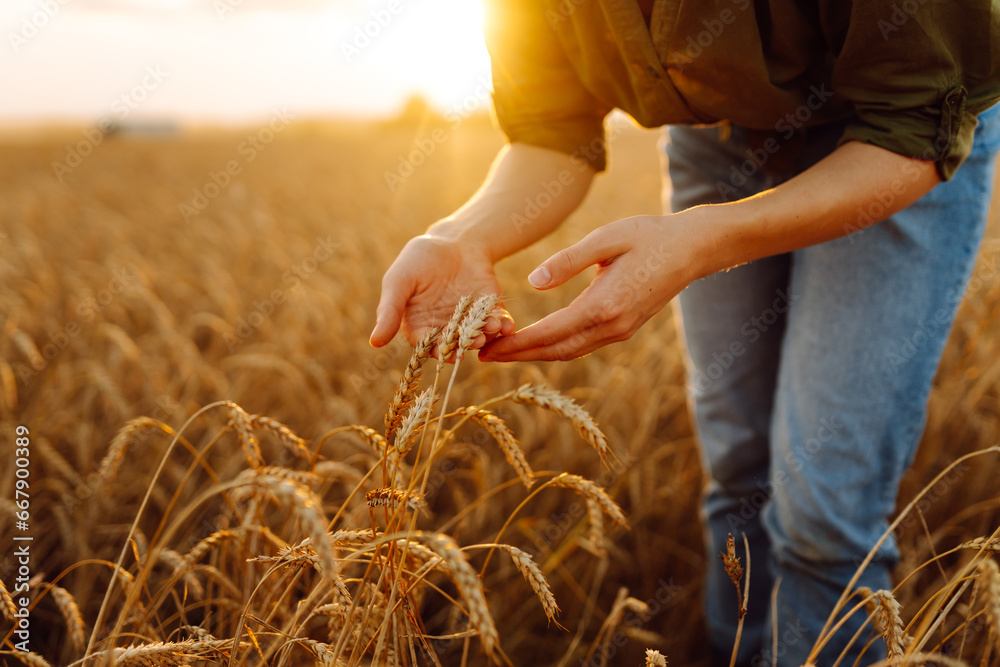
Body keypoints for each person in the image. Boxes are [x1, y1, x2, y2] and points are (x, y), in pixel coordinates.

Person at [370, 1, 1000, 665]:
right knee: (737, 467)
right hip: (716, 143)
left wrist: (703, 241)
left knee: (823, 505)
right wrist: (461, 237)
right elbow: (553, 133)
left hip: (887, 142)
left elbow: (913, 121)